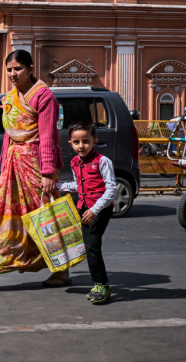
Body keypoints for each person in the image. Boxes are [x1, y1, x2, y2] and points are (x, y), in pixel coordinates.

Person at [0, 49, 64, 291]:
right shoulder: (9, 98)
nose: (12, 73)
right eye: (9, 69)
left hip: (37, 169)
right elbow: (9, 138)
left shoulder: (44, 97)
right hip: (13, 168)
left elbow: (48, 137)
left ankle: (60, 268)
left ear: (30, 69)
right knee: (0, 220)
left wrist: (48, 173)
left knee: (43, 222)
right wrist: (3, 170)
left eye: (17, 68)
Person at [56, 122, 117, 304]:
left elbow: (111, 189)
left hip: (100, 209)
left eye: (85, 141)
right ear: (70, 143)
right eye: (76, 142)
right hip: (84, 208)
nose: (81, 146)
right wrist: (59, 187)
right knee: (89, 245)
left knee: (92, 246)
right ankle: (99, 283)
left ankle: (102, 285)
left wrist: (94, 210)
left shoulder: (103, 161)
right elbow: (79, 185)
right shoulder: (75, 162)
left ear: (94, 141)